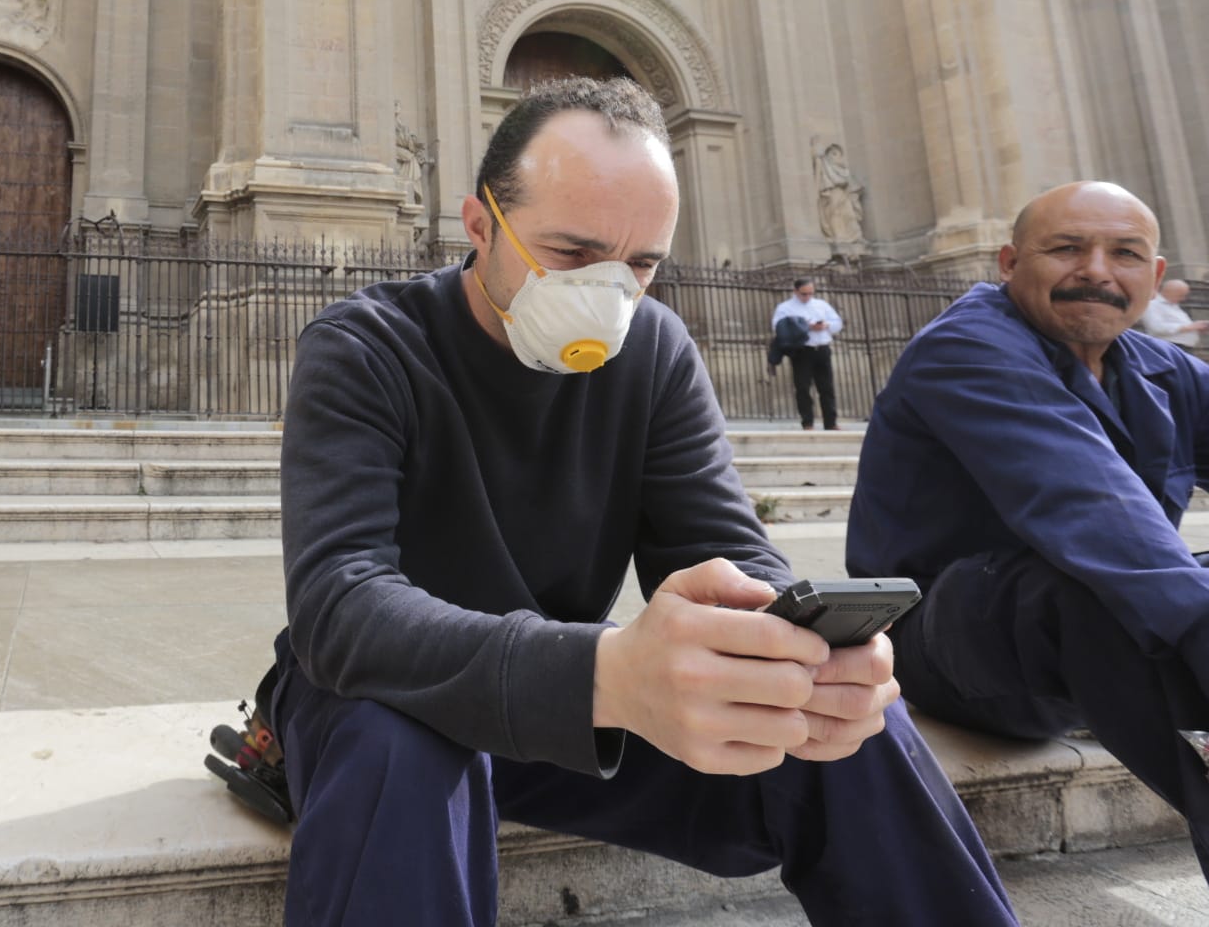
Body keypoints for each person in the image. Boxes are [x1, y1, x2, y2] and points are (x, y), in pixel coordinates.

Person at [269, 78, 1015, 925]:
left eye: (641, 264)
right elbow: (340, 610)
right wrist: (603, 673)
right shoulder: (364, 346)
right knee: (395, 740)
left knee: (836, 724)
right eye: (573, 253)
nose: (610, 292)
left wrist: (797, 648)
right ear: (479, 226)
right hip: (373, 692)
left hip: (569, 712)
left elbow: (723, 552)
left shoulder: (652, 348)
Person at [846, 181, 1209, 879]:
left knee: (1132, 593)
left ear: (1155, 278)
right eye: (1067, 248)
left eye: (1124, 253)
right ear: (1009, 263)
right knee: (1090, 587)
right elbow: (1091, 511)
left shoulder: (1160, 368)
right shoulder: (968, 348)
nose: (1098, 271)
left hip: (1104, 632)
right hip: (950, 644)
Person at [770, 278, 843, 429]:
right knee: (803, 388)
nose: (807, 297)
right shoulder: (785, 308)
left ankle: (831, 423)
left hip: (822, 347)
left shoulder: (821, 305)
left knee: (826, 388)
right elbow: (779, 327)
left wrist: (825, 325)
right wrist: (806, 327)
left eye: (810, 293)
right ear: (795, 291)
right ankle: (807, 422)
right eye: (804, 294)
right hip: (802, 351)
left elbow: (837, 323)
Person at [1142, 278, 1207, 350]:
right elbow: (1156, 328)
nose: (1183, 299)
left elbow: (1180, 325)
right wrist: (1188, 327)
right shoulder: (1152, 305)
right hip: (1169, 346)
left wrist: (1197, 328)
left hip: (1182, 347)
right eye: (1181, 295)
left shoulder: (1174, 306)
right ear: (1169, 292)